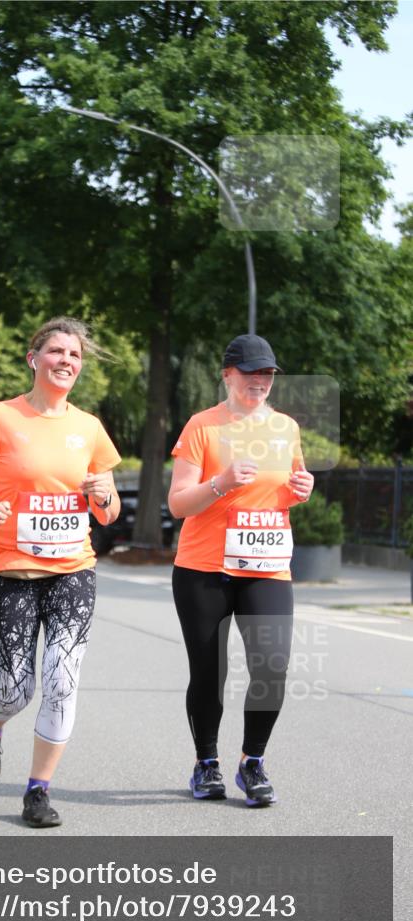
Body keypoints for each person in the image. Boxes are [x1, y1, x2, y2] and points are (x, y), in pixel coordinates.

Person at [0, 317, 121, 828]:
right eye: (56, 351)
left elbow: (108, 512)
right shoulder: (0, 418)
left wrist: (101, 497)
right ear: (34, 359)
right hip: (11, 571)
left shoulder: (88, 428)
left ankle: (38, 791)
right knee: (16, 689)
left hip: (73, 572)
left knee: (62, 680)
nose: (67, 360)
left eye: (75, 355)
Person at [168, 334, 314, 807]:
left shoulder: (286, 428)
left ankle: (253, 762)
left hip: (267, 567)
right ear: (227, 374)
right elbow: (177, 503)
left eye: (267, 373)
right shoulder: (202, 427)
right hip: (203, 568)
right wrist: (221, 482)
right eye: (250, 372)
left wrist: (300, 488)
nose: (260, 381)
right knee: (209, 671)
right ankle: (205, 764)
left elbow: (284, 489)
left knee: (272, 667)